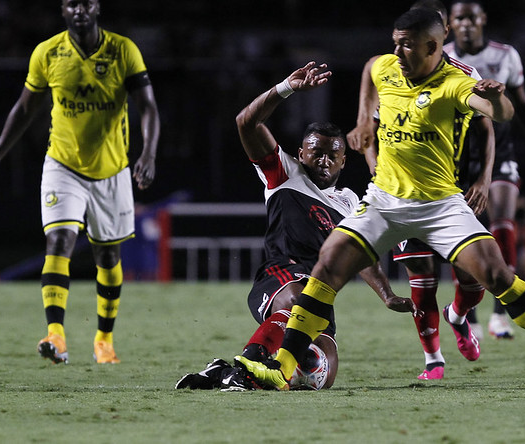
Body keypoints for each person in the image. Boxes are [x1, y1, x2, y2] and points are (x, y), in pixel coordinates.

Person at [235, 8, 525, 390]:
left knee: (497, 275)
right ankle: (281, 365)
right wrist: (365, 117)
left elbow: (500, 113)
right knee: (329, 263)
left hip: (439, 205)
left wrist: (497, 100)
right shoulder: (386, 67)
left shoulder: (456, 81)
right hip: (384, 201)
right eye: (396, 43)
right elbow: (371, 68)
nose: (398, 52)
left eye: (407, 45)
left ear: (433, 46)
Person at [175, 61, 416, 391]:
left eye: (333, 154)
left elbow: (359, 254)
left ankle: (223, 372)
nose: (324, 160)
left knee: (320, 374)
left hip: (319, 295)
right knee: (298, 296)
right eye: (316, 152)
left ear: (344, 160)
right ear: (301, 153)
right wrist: (285, 88)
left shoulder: (348, 201)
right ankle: (248, 366)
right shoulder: (284, 173)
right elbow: (245, 122)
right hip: (280, 279)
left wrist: (387, 295)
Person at [0, 0, 160, 365]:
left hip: (112, 169)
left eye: (86, 3)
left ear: (97, 8)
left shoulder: (123, 50)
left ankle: (104, 340)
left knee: (107, 256)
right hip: (62, 166)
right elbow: (24, 111)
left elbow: (149, 107)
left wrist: (149, 154)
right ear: (63, 10)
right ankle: (55, 336)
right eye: (72, 5)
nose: (79, 10)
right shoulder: (48, 53)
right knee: (58, 244)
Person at [357, 0, 494, 380]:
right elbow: (372, 132)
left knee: (472, 279)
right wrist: (378, 174)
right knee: (421, 276)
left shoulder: (461, 75)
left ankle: (459, 314)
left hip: (453, 188)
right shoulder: (390, 73)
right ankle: (433, 359)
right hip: (400, 192)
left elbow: (488, 128)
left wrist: (483, 180)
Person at [446, 0, 525, 340]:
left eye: (470, 18)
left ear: (483, 20)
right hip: (459, 153)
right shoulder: (442, 56)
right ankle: (468, 315)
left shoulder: (505, 55)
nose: (465, 24)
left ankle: (501, 314)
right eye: (458, 19)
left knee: (503, 224)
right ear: (450, 24)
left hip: (501, 148)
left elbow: (522, 106)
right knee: (461, 233)